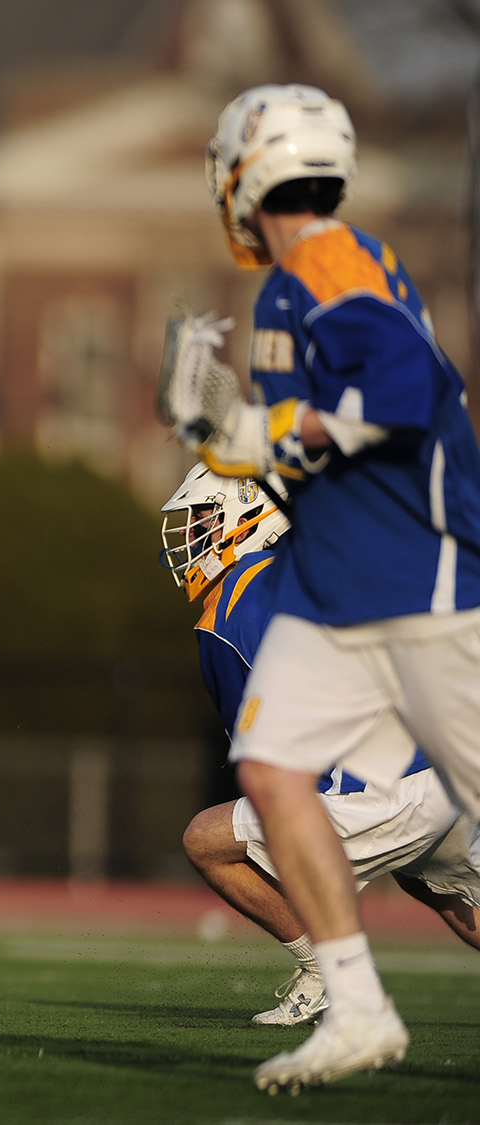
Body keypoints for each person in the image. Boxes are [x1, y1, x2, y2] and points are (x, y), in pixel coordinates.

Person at [163, 84, 480, 1092]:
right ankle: (356, 1008)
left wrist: (258, 432)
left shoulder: (326, 264)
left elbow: (403, 393)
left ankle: (348, 998)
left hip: (415, 583)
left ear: (247, 171)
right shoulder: (294, 285)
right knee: (270, 769)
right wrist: (239, 436)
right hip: (362, 586)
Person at [162, 465, 480, 1029]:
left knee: (207, 840)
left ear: (246, 517)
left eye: (205, 517)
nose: (193, 534)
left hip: (381, 793)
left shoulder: (226, 612)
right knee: (447, 895)